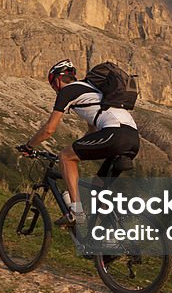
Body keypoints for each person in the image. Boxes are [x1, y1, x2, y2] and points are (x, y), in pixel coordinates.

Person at [19, 59, 140, 227]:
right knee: (98, 187)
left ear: (57, 80)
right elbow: (92, 133)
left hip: (115, 133)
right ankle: (110, 242)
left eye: (53, 85)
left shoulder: (68, 91)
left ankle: (76, 211)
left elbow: (49, 129)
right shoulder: (93, 91)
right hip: (133, 138)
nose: (54, 90)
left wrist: (29, 146)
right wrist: (76, 147)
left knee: (66, 157)